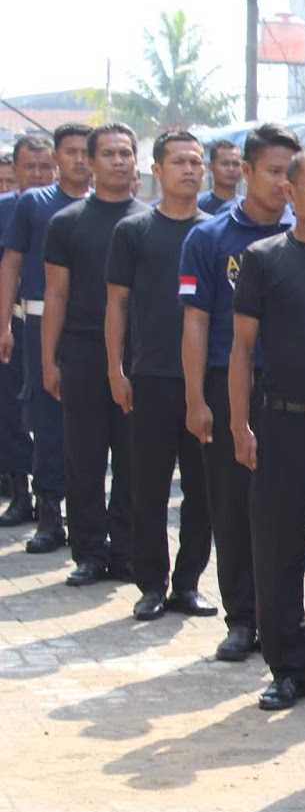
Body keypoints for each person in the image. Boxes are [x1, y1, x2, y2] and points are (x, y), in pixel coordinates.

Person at [230, 149, 305, 711]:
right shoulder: (263, 258)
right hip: (278, 423)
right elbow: (242, 349)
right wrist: (239, 423)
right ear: (290, 193)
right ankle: (288, 665)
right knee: (278, 549)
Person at [180, 122, 298, 662]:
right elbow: (197, 323)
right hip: (228, 385)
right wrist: (197, 399)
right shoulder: (208, 239)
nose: (283, 183)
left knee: (291, 517)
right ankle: (243, 619)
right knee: (231, 507)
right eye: (273, 172)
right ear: (246, 172)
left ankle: (294, 627)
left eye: (289, 173)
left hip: (296, 394)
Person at [106, 130, 215, 620]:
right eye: (179, 162)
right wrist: (116, 366)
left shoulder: (214, 232)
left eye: (196, 161)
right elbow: (117, 304)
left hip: (206, 382)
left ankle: (188, 583)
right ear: (157, 170)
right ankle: (150, 582)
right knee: (147, 485)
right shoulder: (135, 231)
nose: (190, 169)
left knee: (203, 490)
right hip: (150, 376)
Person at [41, 122, 146, 586]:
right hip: (82, 350)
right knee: (84, 455)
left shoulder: (150, 220)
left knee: (132, 456)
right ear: (89, 160)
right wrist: (49, 359)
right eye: (109, 153)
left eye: (126, 152)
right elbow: (56, 295)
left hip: (137, 354)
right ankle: (88, 550)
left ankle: (125, 551)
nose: (119, 160)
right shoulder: (67, 223)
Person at [0, 122, 92, 554]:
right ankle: (49, 511)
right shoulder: (33, 204)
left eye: (84, 151)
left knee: (94, 425)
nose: (79, 159)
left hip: (95, 327)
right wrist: (4, 325)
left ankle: (91, 515)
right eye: (70, 151)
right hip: (39, 321)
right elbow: (11, 265)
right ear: (59, 157)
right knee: (47, 418)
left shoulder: (108, 206)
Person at [0, 134, 50, 527]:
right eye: (28, 167)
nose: (36, 174)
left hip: (49, 322)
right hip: (12, 324)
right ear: (13, 170)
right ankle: (20, 493)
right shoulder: (4, 210)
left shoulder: (65, 209)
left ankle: (54, 498)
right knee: (10, 411)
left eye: (43, 166)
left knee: (49, 412)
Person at [199, 141, 244, 215]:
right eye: (225, 164)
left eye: (236, 164)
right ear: (211, 166)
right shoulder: (199, 204)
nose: (231, 169)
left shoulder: (245, 208)